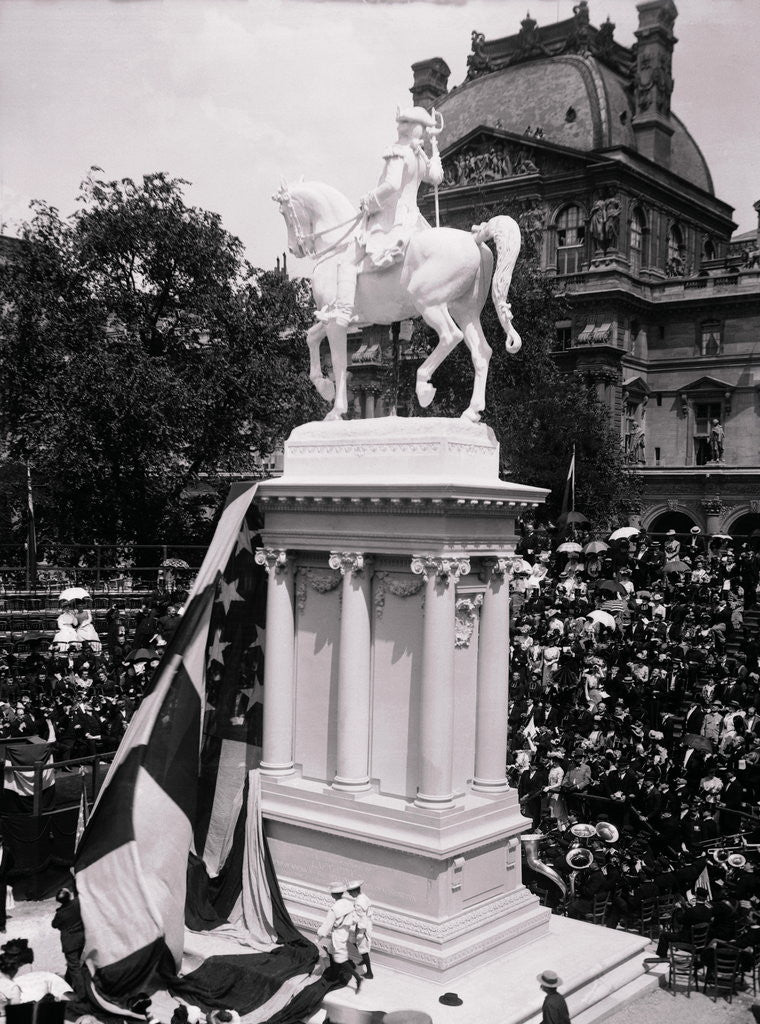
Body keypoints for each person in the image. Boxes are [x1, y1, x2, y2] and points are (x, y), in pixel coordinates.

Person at [327, 106, 444, 328]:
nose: (398, 126)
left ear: (408, 127)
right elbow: (437, 177)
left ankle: (342, 312)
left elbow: (391, 185)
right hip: (415, 221)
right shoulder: (419, 156)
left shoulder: (398, 152)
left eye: (402, 122)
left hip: (391, 219)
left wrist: (369, 200)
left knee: (348, 260)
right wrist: (435, 150)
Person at [316, 884, 362, 992]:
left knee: (340, 959)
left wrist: (318, 938)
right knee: (331, 951)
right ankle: (334, 971)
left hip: (337, 934)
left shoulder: (334, 909)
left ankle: (357, 977)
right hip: (344, 932)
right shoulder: (348, 904)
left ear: (333, 894)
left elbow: (327, 926)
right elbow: (355, 919)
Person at [346, 879, 374, 979]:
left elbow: (360, 919)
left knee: (363, 949)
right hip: (367, 925)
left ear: (354, 891)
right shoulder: (363, 897)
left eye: (350, 892)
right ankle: (363, 959)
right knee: (353, 941)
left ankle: (369, 973)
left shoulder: (358, 903)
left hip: (362, 928)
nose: (349, 894)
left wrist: (360, 932)